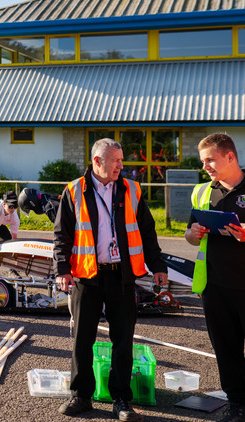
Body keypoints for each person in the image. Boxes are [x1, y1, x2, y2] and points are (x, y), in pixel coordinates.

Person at [54, 138, 167, 421]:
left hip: (122, 276)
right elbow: (62, 235)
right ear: (97, 161)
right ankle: (81, 396)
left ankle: (121, 399)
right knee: (82, 339)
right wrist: (61, 269)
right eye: (115, 161)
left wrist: (158, 265)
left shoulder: (132, 190)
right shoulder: (74, 191)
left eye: (121, 160)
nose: (121, 166)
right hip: (86, 276)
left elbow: (147, 232)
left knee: (123, 339)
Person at [185, 133, 245, 422]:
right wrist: (192, 234)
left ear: (230, 157)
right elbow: (190, 235)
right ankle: (237, 404)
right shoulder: (202, 192)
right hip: (214, 286)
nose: (206, 166)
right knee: (226, 349)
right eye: (203, 161)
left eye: (211, 159)